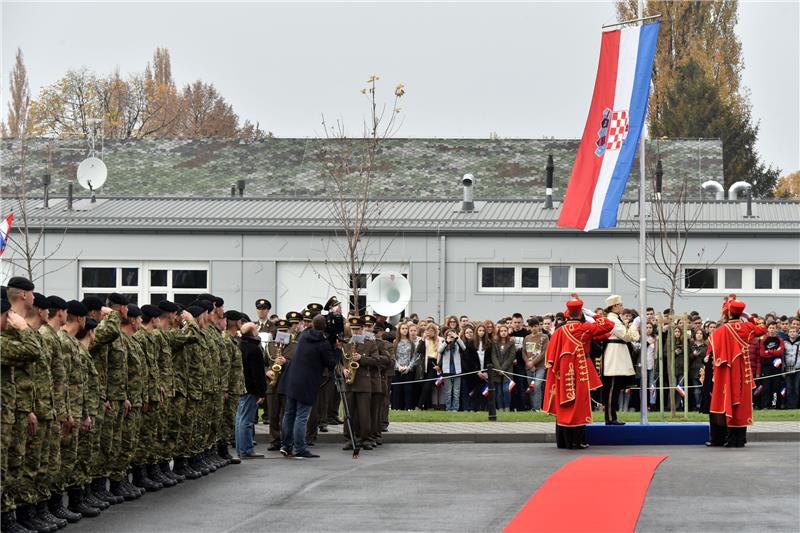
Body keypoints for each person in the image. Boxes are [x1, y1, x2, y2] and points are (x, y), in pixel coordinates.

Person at [543, 294, 614, 449]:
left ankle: (563, 441)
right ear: (581, 313)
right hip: (580, 371)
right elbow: (609, 325)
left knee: (564, 405)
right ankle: (577, 441)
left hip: (562, 372)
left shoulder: (559, 331)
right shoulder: (585, 328)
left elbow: (551, 355)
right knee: (579, 405)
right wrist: (592, 314)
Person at [278, 314, 340, 459]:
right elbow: (330, 364)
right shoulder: (322, 343)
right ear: (325, 326)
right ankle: (299, 448)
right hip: (307, 383)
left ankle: (285, 445)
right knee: (301, 417)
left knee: (289, 414)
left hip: (292, 379)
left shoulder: (304, 335)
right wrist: (336, 349)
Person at [708, 297, 767, 447]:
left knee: (728, 401)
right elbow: (763, 328)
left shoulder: (721, 330)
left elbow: (712, 348)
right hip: (745, 372)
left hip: (728, 372)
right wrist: (749, 317)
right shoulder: (747, 326)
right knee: (742, 405)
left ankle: (725, 438)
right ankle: (739, 439)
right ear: (741, 313)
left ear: (729, 313)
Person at [600, 295, 639, 425]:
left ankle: (612, 417)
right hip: (614, 357)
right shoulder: (613, 319)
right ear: (615, 306)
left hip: (617, 355)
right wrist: (634, 326)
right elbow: (626, 336)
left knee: (615, 388)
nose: (622, 307)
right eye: (620, 304)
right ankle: (610, 418)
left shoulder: (616, 318)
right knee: (612, 388)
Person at [236, 321, 267, 459]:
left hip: (242, 387)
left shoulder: (240, 345)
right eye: (256, 330)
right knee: (247, 421)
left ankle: (240, 448)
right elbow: (258, 373)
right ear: (253, 333)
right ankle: (246, 449)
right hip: (251, 389)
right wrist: (261, 392)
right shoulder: (254, 349)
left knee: (240, 419)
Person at [523, 319, 549, 411]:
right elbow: (524, 352)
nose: (533, 328)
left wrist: (533, 362)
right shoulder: (527, 338)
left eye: (535, 326)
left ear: (539, 326)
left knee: (537, 385)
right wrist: (528, 363)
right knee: (531, 387)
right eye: (531, 326)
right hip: (529, 367)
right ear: (529, 327)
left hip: (540, 366)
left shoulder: (544, 337)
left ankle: (537, 408)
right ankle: (533, 407)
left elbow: (544, 352)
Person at [758, 322, 785, 409]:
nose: (772, 330)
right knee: (766, 387)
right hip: (766, 367)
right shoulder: (764, 340)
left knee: (775, 387)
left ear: (776, 329)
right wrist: (774, 352)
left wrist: (769, 352)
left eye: (773, 328)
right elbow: (762, 354)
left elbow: (780, 352)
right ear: (767, 329)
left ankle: (774, 405)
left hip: (777, 367)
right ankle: (765, 405)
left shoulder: (780, 340)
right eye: (770, 328)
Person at [491, 324, 515, 412]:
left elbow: (512, 356)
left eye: (505, 331)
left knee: (506, 390)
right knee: (499, 392)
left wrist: (503, 368)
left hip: (507, 370)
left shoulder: (511, 342)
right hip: (497, 371)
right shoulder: (495, 342)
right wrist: (498, 368)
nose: (503, 333)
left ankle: (507, 407)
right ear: (499, 332)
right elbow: (493, 356)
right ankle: (500, 408)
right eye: (501, 331)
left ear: (507, 332)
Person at [782, 326, 800, 409]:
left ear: (797, 333)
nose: (792, 333)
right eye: (791, 331)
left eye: (794, 331)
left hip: (797, 369)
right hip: (787, 369)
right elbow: (782, 356)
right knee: (788, 388)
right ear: (788, 333)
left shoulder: (799, 343)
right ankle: (789, 406)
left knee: (796, 388)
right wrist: (783, 369)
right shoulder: (784, 343)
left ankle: (796, 406)